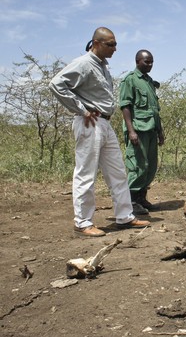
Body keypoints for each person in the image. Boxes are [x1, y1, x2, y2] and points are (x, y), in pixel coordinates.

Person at [49, 27, 150, 237]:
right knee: (86, 174)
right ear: (96, 43)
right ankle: (83, 222)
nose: (115, 48)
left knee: (118, 172)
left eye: (115, 44)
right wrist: (81, 109)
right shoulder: (84, 63)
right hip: (90, 122)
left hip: (105, 123)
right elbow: (57, 84)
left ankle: (125, 216)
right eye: (110, 44)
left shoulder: (102, 66)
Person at [118, 50, 165, 213]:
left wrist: (160, 131)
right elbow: (125, 106)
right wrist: (131, 131)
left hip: (151, 129)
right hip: (138, 129)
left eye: (152, 62)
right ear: (138, 61)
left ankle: (141, 199)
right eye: (146, 62)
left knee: (150, 166)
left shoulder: (149, 82)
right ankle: (130, 202)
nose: (150, 65)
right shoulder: (130, 80)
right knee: (138, 165)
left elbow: (155, 110)